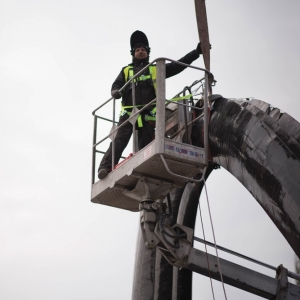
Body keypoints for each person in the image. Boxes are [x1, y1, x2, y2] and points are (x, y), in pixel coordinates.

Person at [98, 30, 205, 179]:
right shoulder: (126, 71)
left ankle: (145, 170)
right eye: (137, 50)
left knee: (146, 146)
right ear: (133, 53)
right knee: (119, 140)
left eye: (143, 50)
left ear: (148, 53)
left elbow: (177, 66)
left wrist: (196, 53)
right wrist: (115, 91)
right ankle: (104, 167)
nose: (140, 52)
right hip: (129, 114)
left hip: (148, 113)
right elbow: (116, 85)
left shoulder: (156, 68)